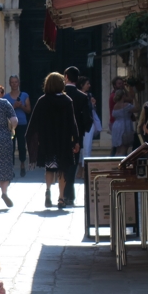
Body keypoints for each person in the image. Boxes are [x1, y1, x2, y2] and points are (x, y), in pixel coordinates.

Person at [25, 72, 81, 209]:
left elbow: (33, 123)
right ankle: (61, 198)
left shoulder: (42, 100)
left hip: (47, 141)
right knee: (62, 169)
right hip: (63, 141)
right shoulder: (67, 100)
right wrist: (76, 141)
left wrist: (32, 141)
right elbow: (72, 123)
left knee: (50, 168)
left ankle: (48, 190)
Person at [63, 67, 91, 205]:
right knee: (73, 164)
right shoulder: (83, 97)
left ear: (66, 76)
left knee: (63, 165)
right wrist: (84, 130)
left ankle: (65, 194)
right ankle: (69, 193)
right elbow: (87, 119)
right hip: (77, 136)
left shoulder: (59, 95)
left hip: (61, 135)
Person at [2, 75, 31, 178]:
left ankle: (22, 164)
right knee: (11, 146)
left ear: (18, 83)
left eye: (16, 82)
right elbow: (4, 112)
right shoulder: (5, 97)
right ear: (9, 84)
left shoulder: (24, 95)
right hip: (10, 125)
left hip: (22, 123)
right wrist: (13, 107)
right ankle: (11, 168)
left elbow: (28, 110)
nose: (14, 84)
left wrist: (21, 106)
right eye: (12, 82)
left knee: (22, 145)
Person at [78, 77, 102, 170]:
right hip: (81, 124)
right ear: (82, 85)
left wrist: (93, 104)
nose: (89, 85)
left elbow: (92, 110)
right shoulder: (78, 95)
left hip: (88, 123)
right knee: (81, 148)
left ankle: (85, 169)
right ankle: (81, 169)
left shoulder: (89, 95)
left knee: (87, 146)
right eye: (87, 84)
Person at [110, 89, 139, 156]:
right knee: (124, 148)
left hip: (116, 126)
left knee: (118, 149)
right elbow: (137, 109)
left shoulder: (115, 106)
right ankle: (121, 164)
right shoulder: (126, 105)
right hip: (124, 126)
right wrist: (134, 98)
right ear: (123, 96)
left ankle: (116, 163)